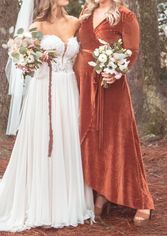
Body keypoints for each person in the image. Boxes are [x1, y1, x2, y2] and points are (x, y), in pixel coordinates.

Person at [0, 0, 94, 232]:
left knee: (67, 141)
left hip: (69, 90)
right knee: (44, 143)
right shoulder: (37, 26)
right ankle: (41, 204)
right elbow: (20, 59)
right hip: (44, 91)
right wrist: (33, 60)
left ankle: (67, 201)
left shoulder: (75, 22)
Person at [75, 0, 154, 226]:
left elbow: (132, 51)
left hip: (111, 86)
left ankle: (141, 199)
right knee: (91, 137)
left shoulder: (125, 15)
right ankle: (101, 191)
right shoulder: (86, 12)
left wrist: (116, 72)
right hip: (83, 84)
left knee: (118, 139)